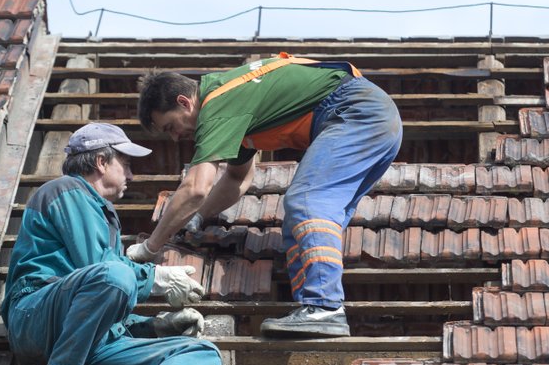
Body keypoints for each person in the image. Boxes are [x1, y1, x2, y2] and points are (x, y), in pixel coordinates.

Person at [127, 53, 403, 338]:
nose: (175, 137)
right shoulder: (234, 105)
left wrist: (151, 246)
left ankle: (325, 308)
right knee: (297, 221)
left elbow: (197, 187)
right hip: (371, 117)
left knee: (307, 201)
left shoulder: (217, 104)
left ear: (184, 103)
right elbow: (238, 178)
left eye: (171, 127)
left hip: (355, 112)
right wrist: (197, 216)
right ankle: (311, 308)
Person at [1, 123, 222, 365]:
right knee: (116, 274)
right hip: (37, 322)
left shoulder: (104, 215)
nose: (131, 176)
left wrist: (153, 327)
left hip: (84, 344)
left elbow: (97, 306)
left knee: (202, 352)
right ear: (101, 163)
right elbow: (102, 272)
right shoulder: (67, 190)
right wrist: (154, 278)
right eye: (126, 164)